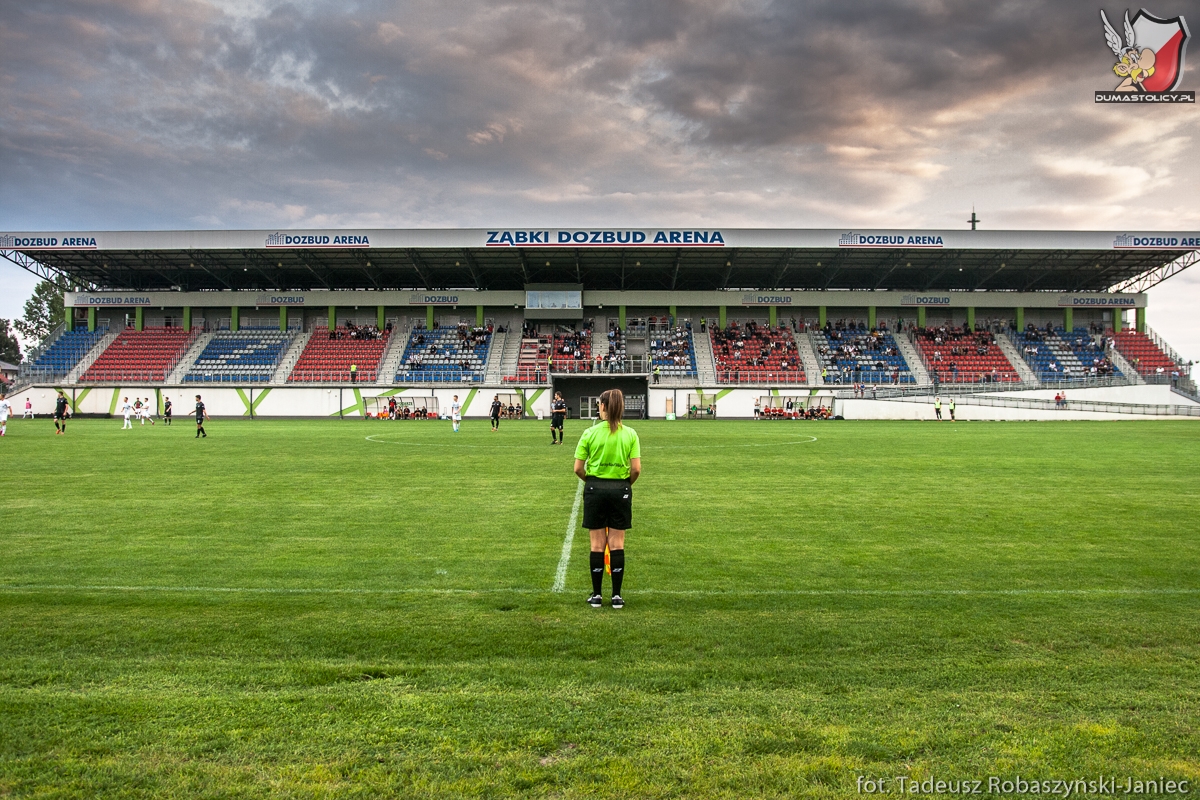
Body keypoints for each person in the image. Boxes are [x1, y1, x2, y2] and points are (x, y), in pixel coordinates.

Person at [573, 388, 641, 609]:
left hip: (595, 488)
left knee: (596, 545)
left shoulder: (590, 433)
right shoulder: (630, 434)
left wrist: (592, 484)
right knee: (617, 543)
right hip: (620, 489)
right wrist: (623, 485)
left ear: (602, 406)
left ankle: (597, 596)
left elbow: (578, 469)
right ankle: (617, 596)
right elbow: (636, 470)